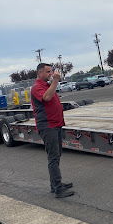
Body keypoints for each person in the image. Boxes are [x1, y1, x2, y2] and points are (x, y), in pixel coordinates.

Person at [31, 63, 75, 198]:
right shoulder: (37, 87)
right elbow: (47, 98)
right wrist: (55, 80)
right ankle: (57, 188)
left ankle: (55, 184)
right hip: (48, 127)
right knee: (53, 157)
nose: (51, 74)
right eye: (48, 72)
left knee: (57, 155)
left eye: (51, 72)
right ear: (40, 73)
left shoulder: (46, 85)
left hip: (55, 125)